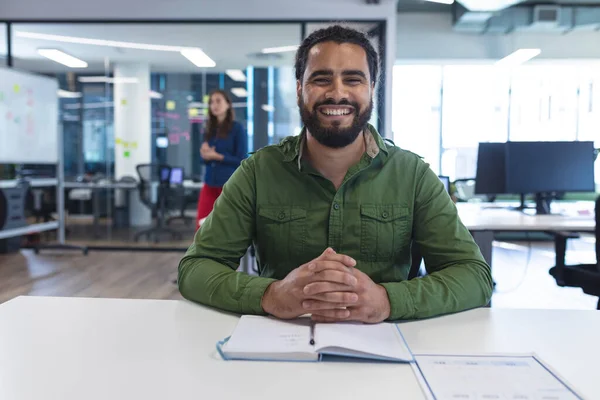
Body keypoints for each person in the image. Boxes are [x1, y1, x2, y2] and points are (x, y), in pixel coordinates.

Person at [179, 25, 493, 323]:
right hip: (279, 353)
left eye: (353, 79)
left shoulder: (412, 175)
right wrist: (269, 295)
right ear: (301, 88)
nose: (337, 93)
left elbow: (474, 275)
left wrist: (387, 300)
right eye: (321, 79)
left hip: (386, 352)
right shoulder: (258, 172)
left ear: (372, 89)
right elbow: (195, 269)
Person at [196, 90, 248, 228]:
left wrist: (217, 156)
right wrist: (205, 155)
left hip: (228, 186)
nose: (214, 105)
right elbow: (203, 161)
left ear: (228, 105)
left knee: (227, 228)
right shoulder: (209, 130)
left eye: (218, 101)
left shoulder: (237, 129)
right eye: (211, 102)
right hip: (209, 183)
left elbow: (242, 160)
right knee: (202, 227)